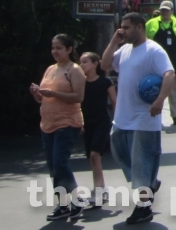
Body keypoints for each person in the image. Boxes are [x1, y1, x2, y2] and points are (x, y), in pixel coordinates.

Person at [101, 13, 175, 225]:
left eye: (126, 27)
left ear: (140, 27)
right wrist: (114, 41)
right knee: (119, 153)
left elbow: (169, 74)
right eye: (120, 27)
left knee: (141, 164)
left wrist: (160, 100)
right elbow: (105, 64)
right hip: (123, 117)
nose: (122, 30)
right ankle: (150, 183)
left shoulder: (154, 50)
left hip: (144, 119)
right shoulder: (124, 49)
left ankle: (144, 208)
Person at [29, 33, 85, 221]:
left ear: (69, 50)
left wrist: (53, 92)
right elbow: (44, 98)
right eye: (53, 48)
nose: (55, 51)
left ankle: (77, 199)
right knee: (54, 167)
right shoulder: (50, 69)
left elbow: (78, 97)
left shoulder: (74, 70)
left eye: (59, 48)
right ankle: (63, 205)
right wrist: (38, 93)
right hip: (48, 123)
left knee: (60, 162)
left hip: (67, 122)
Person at [145, 0, 176, 126]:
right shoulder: (151, 23)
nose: (164, 12)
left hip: (175, 60)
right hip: (155, 61)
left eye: (167, 10)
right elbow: (142, 39)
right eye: (162, 10)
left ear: (172, 11)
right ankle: (155, 116)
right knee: (155, 88)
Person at [79, 51, 117, 209]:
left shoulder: (105, 82)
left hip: (102, 122)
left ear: (95, 64)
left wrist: (117, 121)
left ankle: (98, 191)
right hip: (87, 123)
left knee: (95, 154)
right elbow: (76, 103)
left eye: (85, 62)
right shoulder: (80, 83)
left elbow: (115, 102)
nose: (82, 65)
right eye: (80, 62)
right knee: (92, 158)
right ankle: (102, 189)